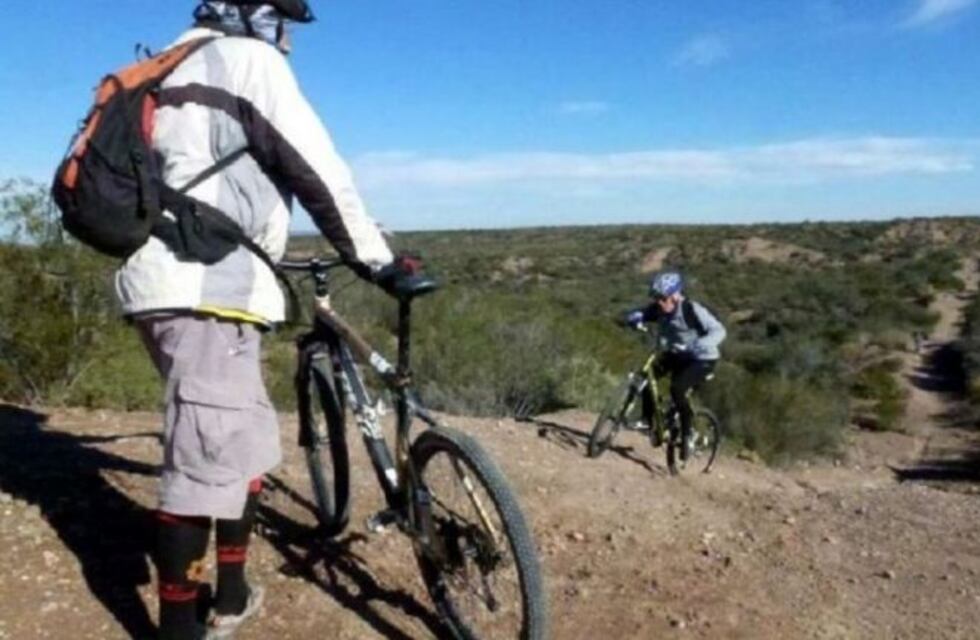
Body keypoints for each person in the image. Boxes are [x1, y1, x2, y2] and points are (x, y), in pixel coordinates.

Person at [114, 2, 403, 638]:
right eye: (286, 22)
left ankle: (234, 594)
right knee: (198, 470)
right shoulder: (247, 59)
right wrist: (377, 258)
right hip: (203, 291)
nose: (290, 39)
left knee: (235, 441)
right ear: (258, 15)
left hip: (186, 285)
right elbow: (315, 165)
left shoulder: (170, 62)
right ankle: (180, 631)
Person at [624, 271, 726, 460]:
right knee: (646, 377)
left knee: (677, 389)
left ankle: (686, 434)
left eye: (662, 298)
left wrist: (696, 345)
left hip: (702, 359)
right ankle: (648, 420)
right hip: (677, 354)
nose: (659, 302)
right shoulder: (659, 308)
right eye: (656, 298)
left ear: (675, 296)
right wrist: (634, 318)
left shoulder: (692, 310)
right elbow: (641, 312)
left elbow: (719, 331)